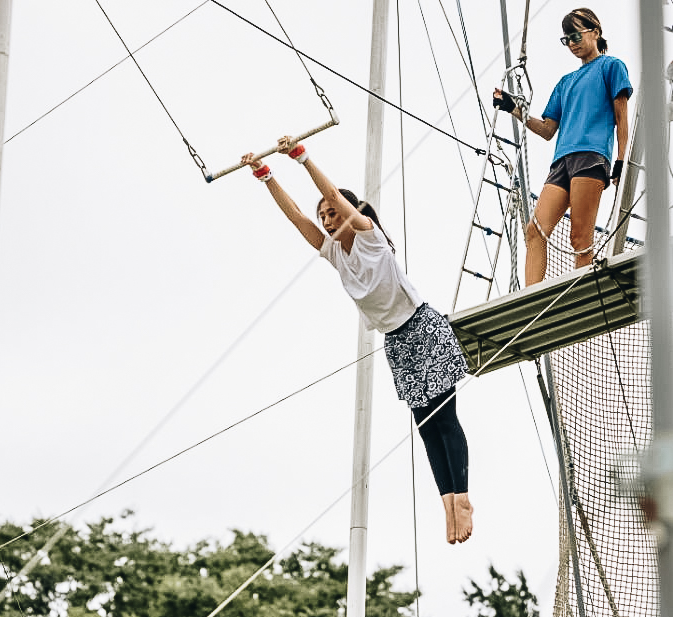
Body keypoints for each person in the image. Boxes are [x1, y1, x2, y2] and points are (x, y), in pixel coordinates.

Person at [241, 138, 473, 544]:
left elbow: (330, 193)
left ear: (351, 212)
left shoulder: (369, 236)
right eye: (324, 216)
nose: (328, 219)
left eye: (333, 213)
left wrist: (302, 157)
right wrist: (265, 176)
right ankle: (447, 503)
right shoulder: (334, 254)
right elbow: (297, 218)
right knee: (425, 427)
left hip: (422, 327)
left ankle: (464, 499)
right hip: (397, 343)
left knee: (444, 417)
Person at [493, 7, 632, 286]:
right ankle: (531, 299)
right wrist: (512, 108)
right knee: (535, 230)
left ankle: (580, 302)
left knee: (580, 238)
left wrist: (620, 160)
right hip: (561, 162)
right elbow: (546, 130)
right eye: (566, 39)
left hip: (591, 158)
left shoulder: (611, 66)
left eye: (576, 35)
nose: (571, 43)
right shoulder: (565, 82)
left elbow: (621, 117)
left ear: (595, 31)